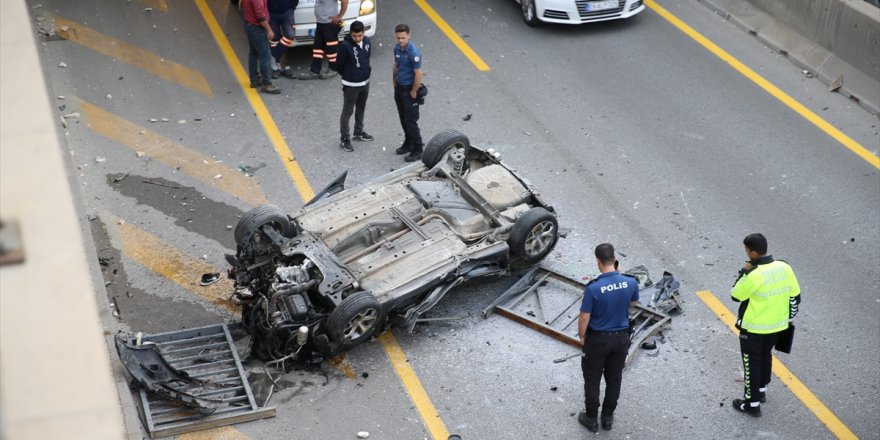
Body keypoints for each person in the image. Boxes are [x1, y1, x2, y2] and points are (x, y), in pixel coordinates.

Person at [730, 233, 801, 417]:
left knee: (751, 363)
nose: (745, 253)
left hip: (753, 329)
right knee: (765, 356)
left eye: (746, 250)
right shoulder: (784, 267)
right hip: (777, 327)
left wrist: (744, 272)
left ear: (753, 253)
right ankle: (761, 391)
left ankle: (752, 404)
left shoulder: (754, 274)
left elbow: (736, 294)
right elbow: (795, 297)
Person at [577, 243, 639, 433]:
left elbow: (585, 316)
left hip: (598, 340)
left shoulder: (593, 288)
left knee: (593, 379)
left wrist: (582, 337)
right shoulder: (630, 282)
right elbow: (633, 304)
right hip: (620, 339)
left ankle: (591, 419)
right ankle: (607, 418)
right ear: (615, 259)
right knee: (614, 379)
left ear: (598, 261)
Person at [333, 20, 374, 152]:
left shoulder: (367, 42)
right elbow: (338, 65)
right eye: (355, 36)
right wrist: (349, 75)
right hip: (351, 85)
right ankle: (345, 138)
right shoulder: (345, 46)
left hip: (365, 82)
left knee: (361, 108)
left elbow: (367, 59)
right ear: (351, 34)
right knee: (347, 112)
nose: (357, 38)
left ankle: (358, 132)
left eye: (360, 35)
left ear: (363, 33)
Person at [392, 24, 424, 162]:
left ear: (409, 36)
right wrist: (393, 79)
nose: (400, 40)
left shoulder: (413, 52)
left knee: (411, 121)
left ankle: (418, 148)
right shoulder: (397, 49)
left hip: (409, 90)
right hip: (399, 88)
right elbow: (396, 65)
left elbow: (418, 74)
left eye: (403, 38)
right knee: (403, 118)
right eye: (398, 37)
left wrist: (414, 91)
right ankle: (408, 142)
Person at [299, 0, 348, 80]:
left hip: (329, 24)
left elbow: (345, 1)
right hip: (320, 23)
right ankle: (315, 70)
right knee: (317, 47)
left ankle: (333, 69)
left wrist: (339, 16)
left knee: (331, 48)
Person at [242, 0, 281, 94]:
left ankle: (254, 79)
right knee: (265, 55)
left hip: (249, 25)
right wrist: (269, 30)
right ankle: (267, 84)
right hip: (256, 28)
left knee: (254, 53)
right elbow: (260, 15)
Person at [267, 0, 298, 79]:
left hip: (287, 11)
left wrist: (292, 6)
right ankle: (278, 69)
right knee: (274, 39)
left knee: (290, 35)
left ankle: (275, 55)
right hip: (271, 12)